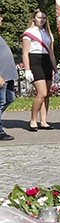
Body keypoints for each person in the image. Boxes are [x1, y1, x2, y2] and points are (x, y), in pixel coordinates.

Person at [22, 8, 58, 131]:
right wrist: (27, 69)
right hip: (35, 61)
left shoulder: (48, 33)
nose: (41, 20)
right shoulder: (29, 32)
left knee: (47, 94)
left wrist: (56, 70)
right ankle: (33, 120)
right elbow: (25, 53)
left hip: (46, 60)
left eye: (44, 18)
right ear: (33, 18)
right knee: (41, 93)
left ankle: (43, 121)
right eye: (39, 17)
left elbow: (52, 53)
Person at [0, 13, 16, 141]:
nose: (1, 19)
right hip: (1, 76)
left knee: (10, 98)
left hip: (7, 75)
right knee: (1, 102)